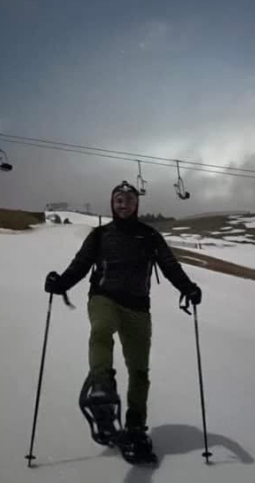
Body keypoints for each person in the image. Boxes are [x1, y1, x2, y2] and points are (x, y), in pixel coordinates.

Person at [44, 181, 202, 456]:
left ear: (136, 205)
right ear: (112, 204)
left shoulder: (150, 236)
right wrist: (62, 283)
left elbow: (169, 265)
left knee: (140, 371)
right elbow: (81, 264)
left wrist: (187, 287)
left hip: (139, 307)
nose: (124, 203)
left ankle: (135, 426)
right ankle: (102, 385)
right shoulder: (100, 235)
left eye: (129, 199)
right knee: (102, 329)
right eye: (119, 199)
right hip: (104, 297)